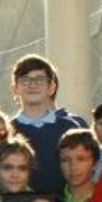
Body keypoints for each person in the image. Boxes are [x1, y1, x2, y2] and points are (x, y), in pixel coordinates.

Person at [9, 55, 88, 194]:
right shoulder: (8, 130)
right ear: (15, 88)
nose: (32, 85)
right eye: (25, 79)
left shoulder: (70, 127)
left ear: (51, 87)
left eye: (40, 79)